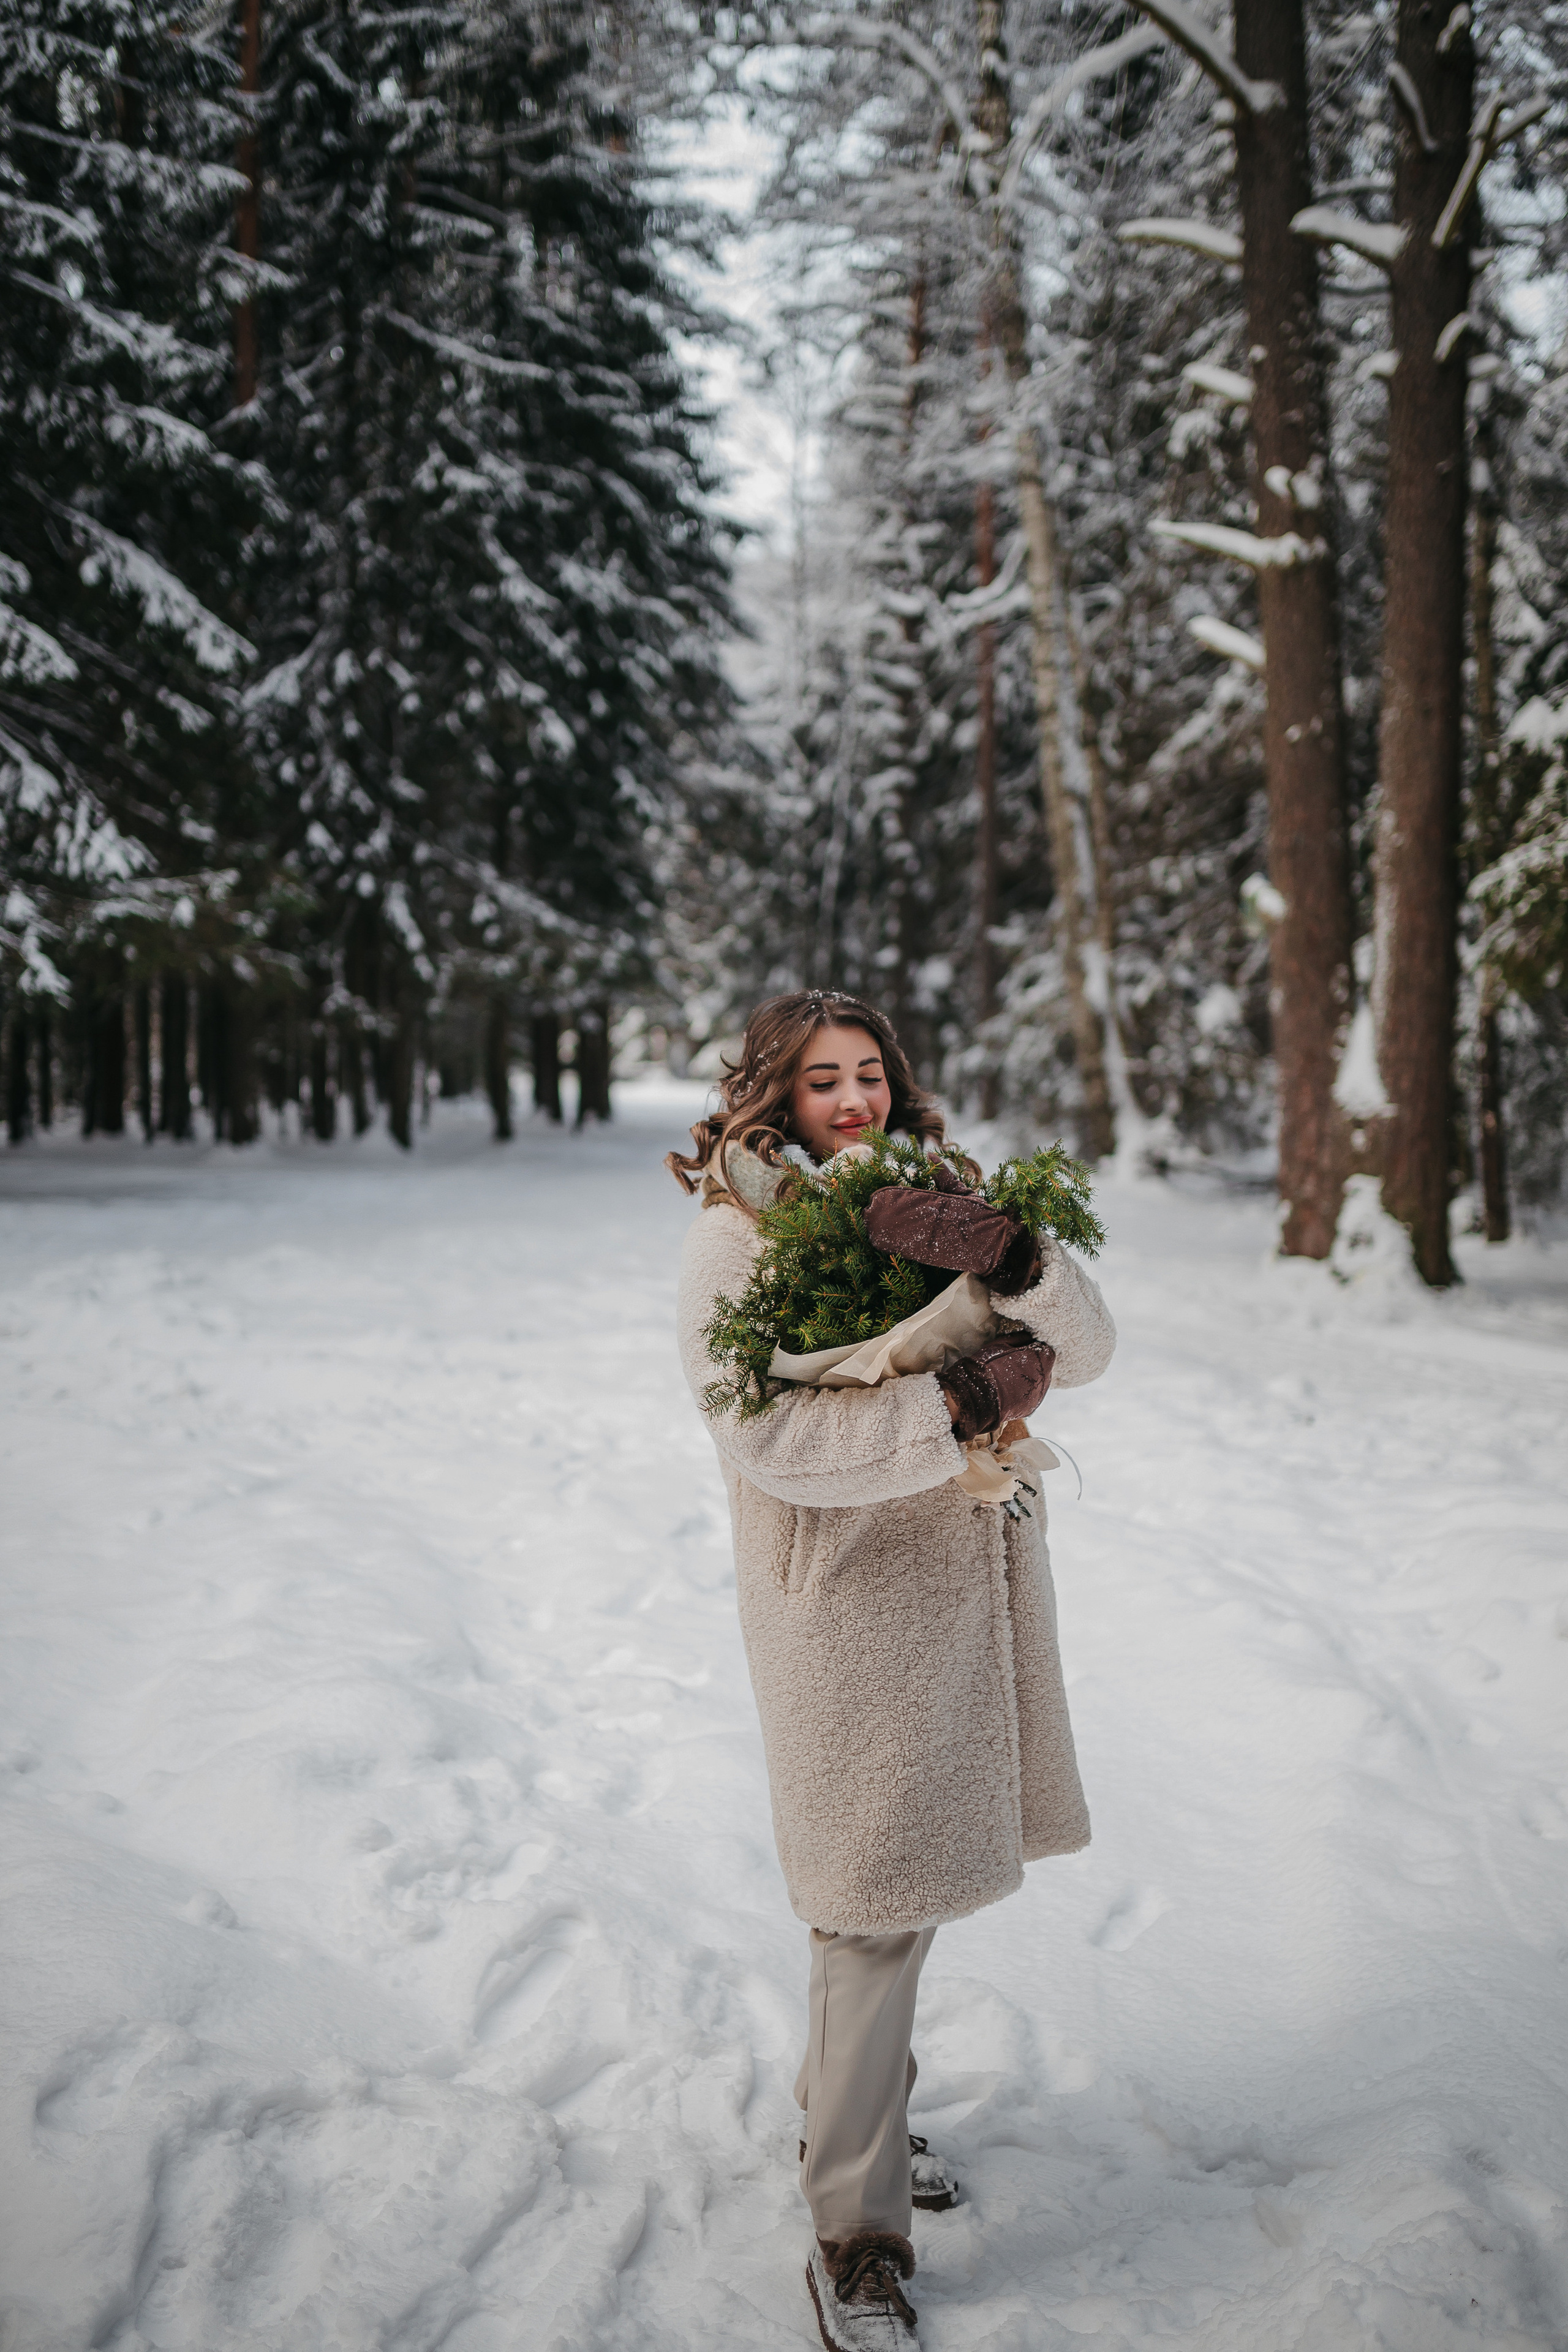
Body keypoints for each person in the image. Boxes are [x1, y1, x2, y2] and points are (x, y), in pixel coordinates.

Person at [668, 989, 1115, 2352]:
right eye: (821, 1082)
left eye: (869, 1074)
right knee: (865, 1901)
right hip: (847, 1610)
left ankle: (848, 2112)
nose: (852, 1100)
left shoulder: (938, 1190)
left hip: (963, 1595)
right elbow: (767, 1438)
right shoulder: (734, 1244)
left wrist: (1016, 1256)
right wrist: (953, 1402)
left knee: (894, 1894)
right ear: (771, 1097)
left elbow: (1085, 1351)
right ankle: (853, 2236)